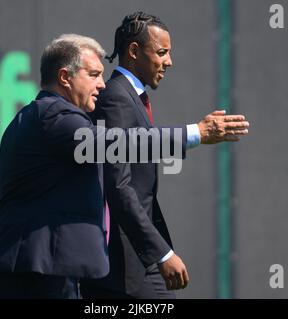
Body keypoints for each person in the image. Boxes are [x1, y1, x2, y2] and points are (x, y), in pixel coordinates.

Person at [0, 33, 233, 299]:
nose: (102, 84)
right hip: (38, 273)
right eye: (93, 74)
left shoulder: (32, 116)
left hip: (32, 269)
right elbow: (118, 144)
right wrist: (196, 133)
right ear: (65, 77)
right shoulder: (55, 116)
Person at [81, 12, 249, 299]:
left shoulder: (130, 96)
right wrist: (161, 253)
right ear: (134, 52)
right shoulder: (117, 98)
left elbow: (140, 148)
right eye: (161, 53)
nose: (168, 62)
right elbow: (118, 186)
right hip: (124, 268)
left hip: (136, 263)